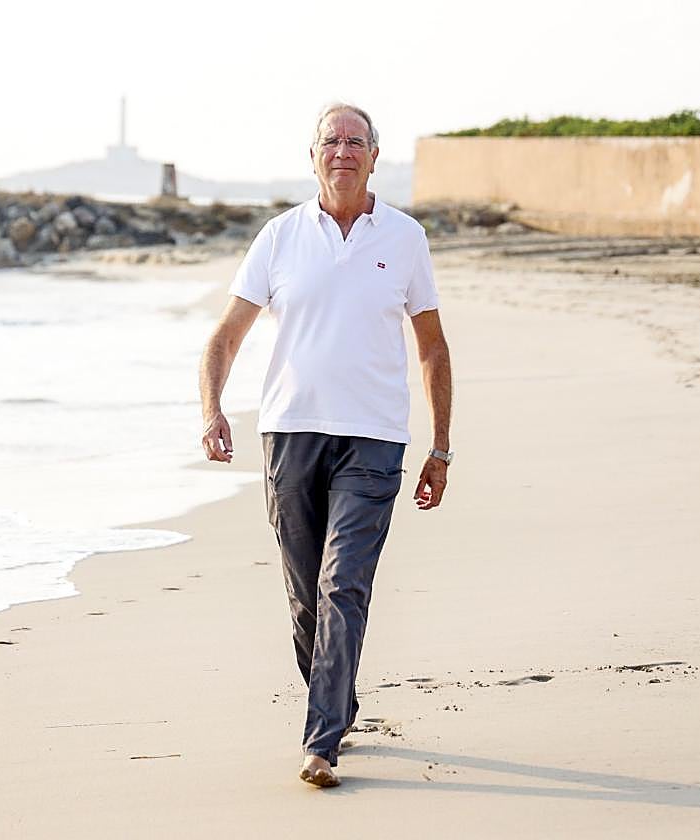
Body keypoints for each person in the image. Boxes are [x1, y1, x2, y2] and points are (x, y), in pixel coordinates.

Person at [198, 103, 453, 788]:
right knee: (307, 595)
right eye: (331, 141)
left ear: (375, 156)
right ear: (313, 156)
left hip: (373, 440)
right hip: (290, 434)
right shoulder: (279, 237)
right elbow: (225, 337)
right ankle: (338, 703)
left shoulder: (403, 237)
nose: (343, 151)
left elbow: (431, 348)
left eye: (356, 141)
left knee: (344, 584)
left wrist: (441, 446)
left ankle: (321, 740)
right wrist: (213, 409)